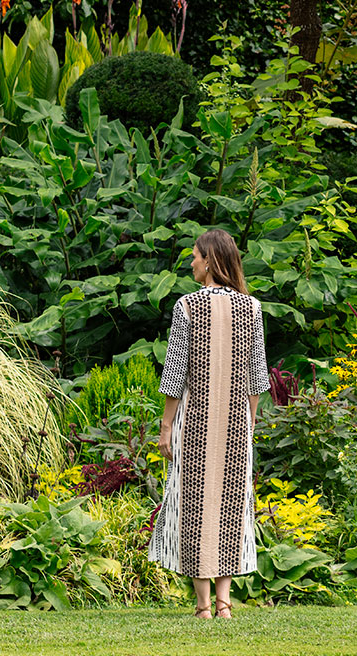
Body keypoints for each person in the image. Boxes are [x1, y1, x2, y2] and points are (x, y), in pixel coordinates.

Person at [147, 229, 271, 619]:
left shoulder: (187, 306)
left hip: (195, 422)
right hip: (236, 422)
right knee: (231, 504)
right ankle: (224, 603)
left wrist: (166, 427)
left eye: (195, 256)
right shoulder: (252, 308)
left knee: (195, 504)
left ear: (210, 260)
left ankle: (203, 606)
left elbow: (175, 374)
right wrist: (249, 420)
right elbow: (257, 376)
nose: (191, 263)